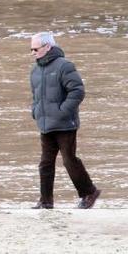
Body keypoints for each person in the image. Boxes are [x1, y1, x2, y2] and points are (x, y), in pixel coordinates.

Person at [29, 32, 101, 209]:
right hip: (45, 124)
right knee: (45, 164)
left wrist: (63, 111)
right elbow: (35, 96)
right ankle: (46, 201)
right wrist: (35, 111)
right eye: (31, 49)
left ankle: (89, 192)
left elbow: (77, 91)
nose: (32, 52)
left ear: (48, 47)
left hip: (65, 124)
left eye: (35, 48)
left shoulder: (64, 66)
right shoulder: (35, 70)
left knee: (69, 160)